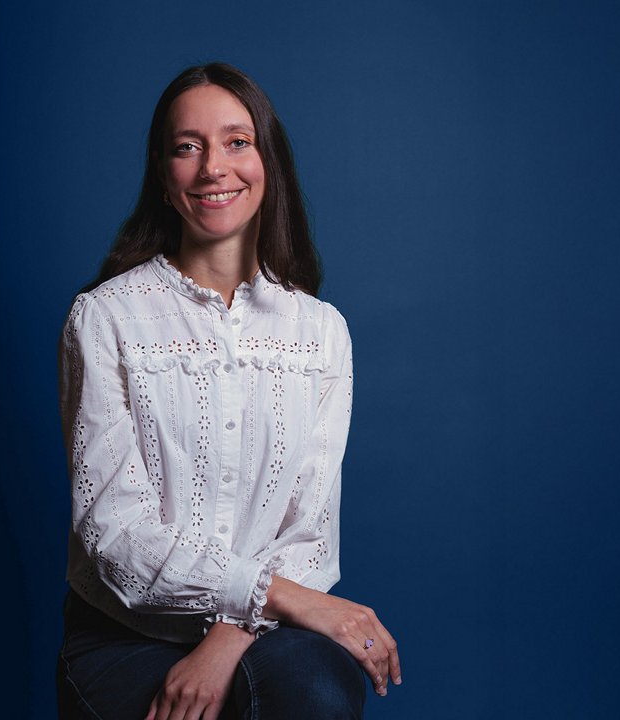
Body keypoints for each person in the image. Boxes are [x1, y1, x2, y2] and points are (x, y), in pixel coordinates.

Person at [56, 62, 400, 720]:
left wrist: (224, 640)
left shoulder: (321, 332)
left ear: (267, 162)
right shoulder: (103, 320)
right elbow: (113, 537)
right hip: (125, 637)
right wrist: (287, 598)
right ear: (164, 175)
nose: (214, 166)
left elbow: (311, 534)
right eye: (189, 147)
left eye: (237, 142)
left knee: (320, 696)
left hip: (263, 637)